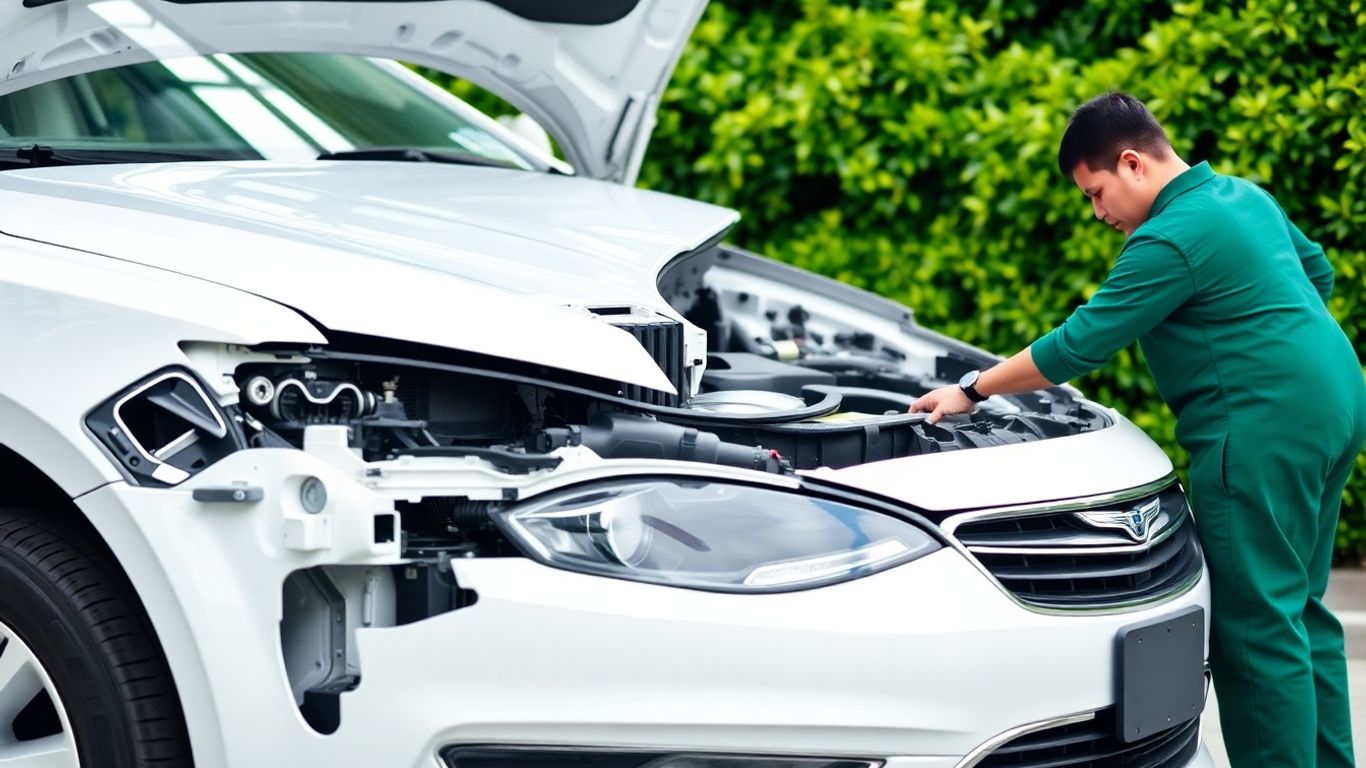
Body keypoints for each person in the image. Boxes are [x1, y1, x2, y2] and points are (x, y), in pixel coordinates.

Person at [910, 91, 1366, 767]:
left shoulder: (1171, 236)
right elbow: (1317, 272)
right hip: (1336, 403)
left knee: (1255, 628)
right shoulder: (1241, 197)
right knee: (1300, 608)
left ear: (1132, 164)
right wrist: (1270, 341)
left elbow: (1080, 344)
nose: (1097, 213)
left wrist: (971, 390)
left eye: (1096, 193)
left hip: (1264, 428)